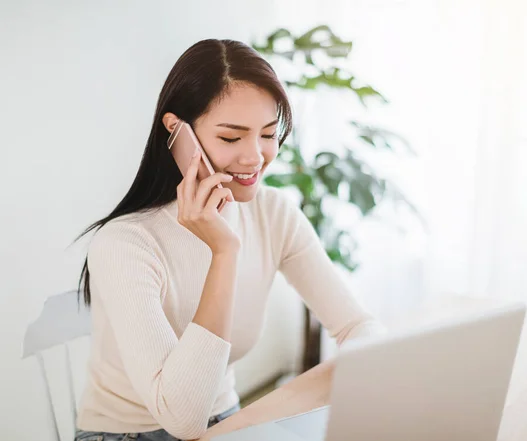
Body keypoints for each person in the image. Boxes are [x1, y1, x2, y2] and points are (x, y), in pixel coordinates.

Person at [73, 39, 385, 441]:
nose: (255, 157)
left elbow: (360, 328)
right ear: (176, 131)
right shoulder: (125, 244)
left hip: (229, 422)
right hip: (128, 435)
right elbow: (181, 418)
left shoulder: (274, 214)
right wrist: (224, 251)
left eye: (269, 134)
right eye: (231, 138)